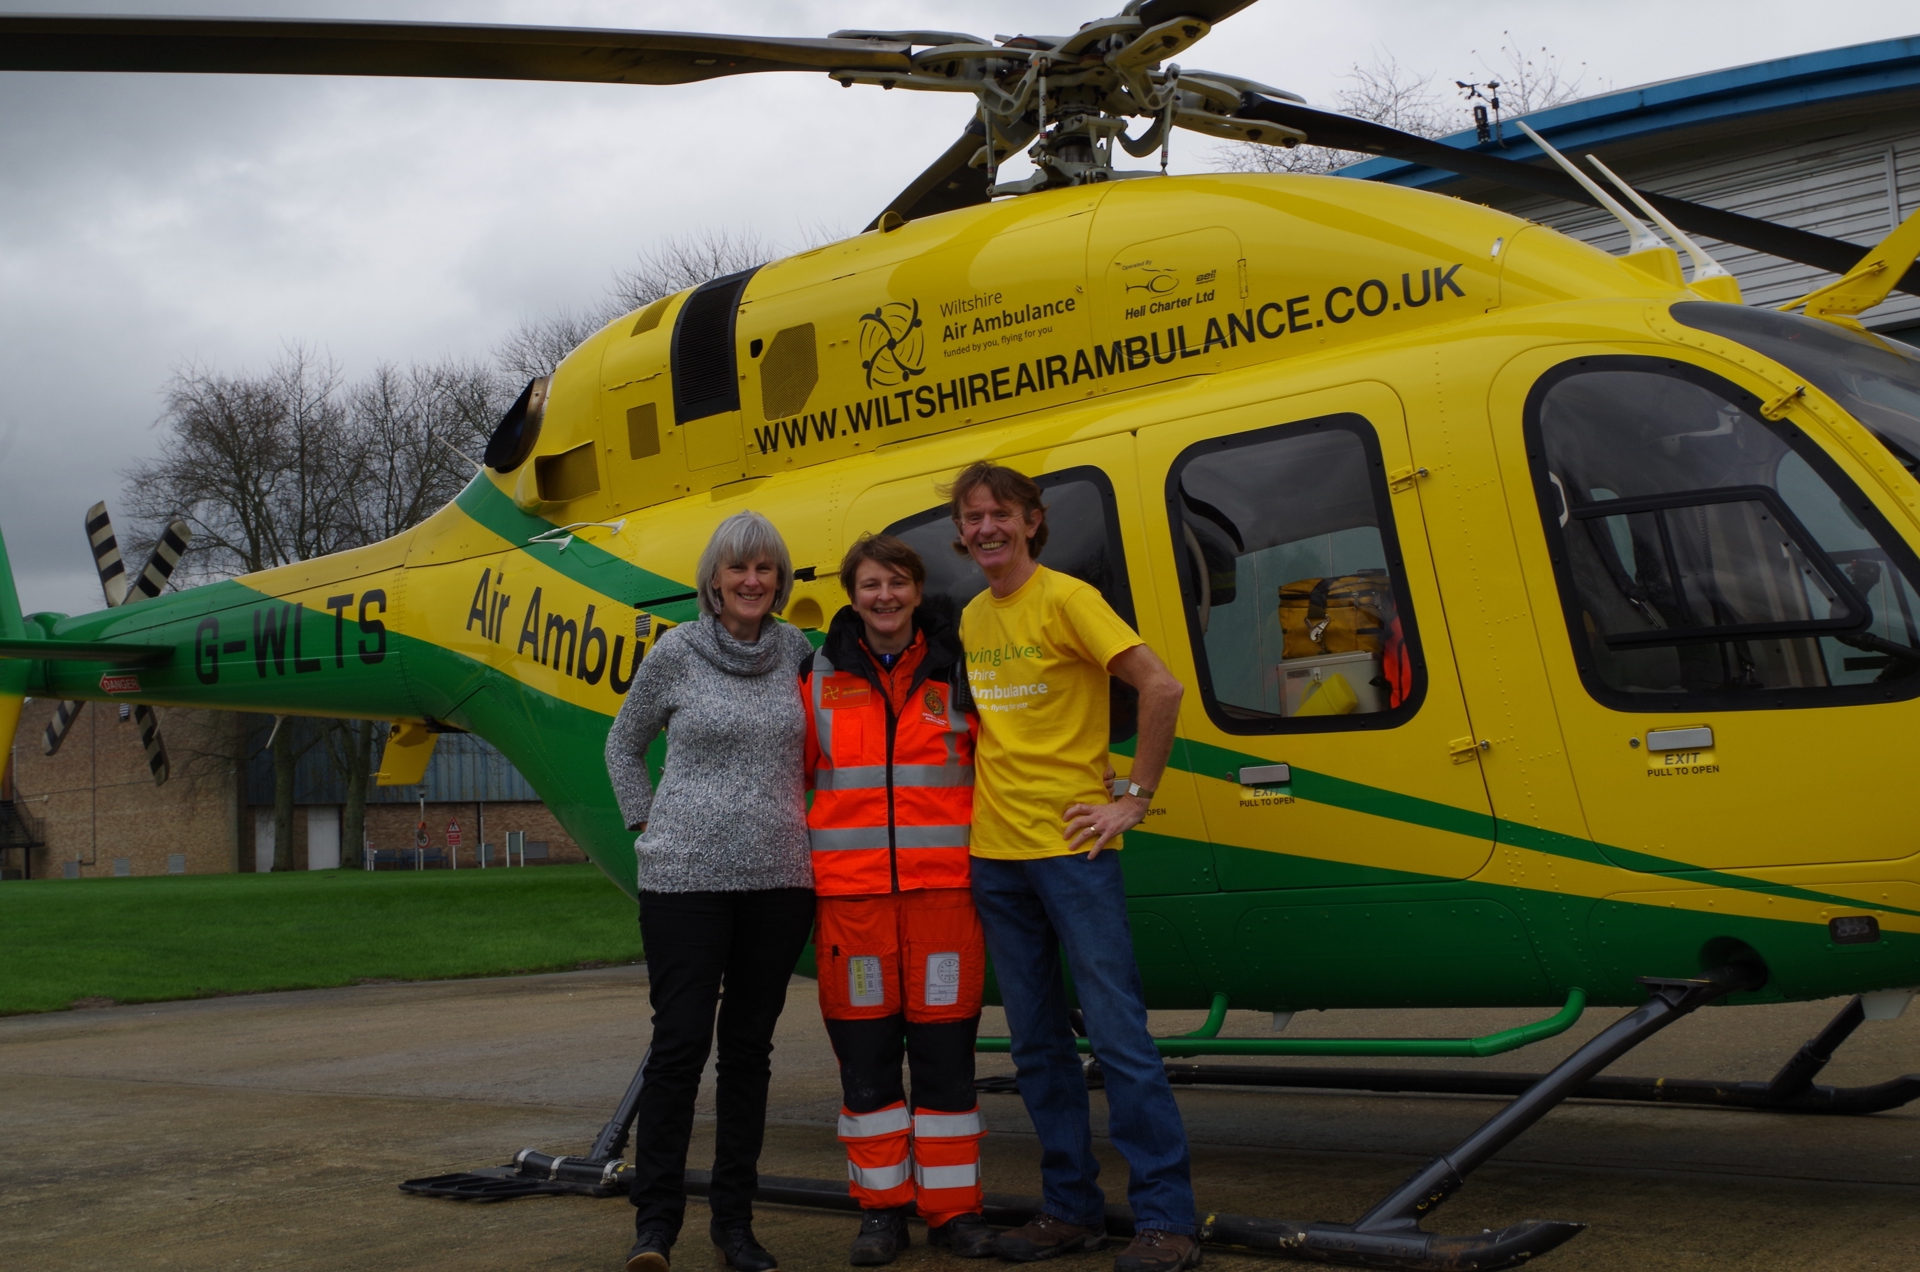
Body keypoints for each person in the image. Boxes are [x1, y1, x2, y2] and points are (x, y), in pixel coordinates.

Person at [945, 461, 1200, 1271]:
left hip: (1073, 853)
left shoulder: (1068, 599)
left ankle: (1166, 1221)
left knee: (1120, 1040)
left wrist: (1133, 798)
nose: (985, 528)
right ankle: (1069, 1211)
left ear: (1030, 520)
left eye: (999, 514)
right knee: (1036, 1049)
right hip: (996, 857)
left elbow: (1160, 689)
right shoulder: (974, 616)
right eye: (971, 517)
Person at [605, 510, 817, 1272]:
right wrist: (646, 825)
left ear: (780, 580)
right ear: (714, 582)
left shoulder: (800, 654)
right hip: (684, 885)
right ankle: (654, 1226)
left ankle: (735, 1225)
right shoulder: (677, 653)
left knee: (749, 1054)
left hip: (780, 881)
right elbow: (623, 743)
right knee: (680, 1044)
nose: (753, 581)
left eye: (765, 568)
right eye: (739, 569)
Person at [801, 534, 998, 1266]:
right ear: (852, 596)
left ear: (918, 590)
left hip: (945, 906)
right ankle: (881, 1212)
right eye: (870, 585)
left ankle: (955, 1214)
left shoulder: (959, 670)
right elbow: (795, 780)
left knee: (948, 1067)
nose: (884, 596)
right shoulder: (817, 678)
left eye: (897, 582)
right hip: (853, 914)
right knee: (869, 1068)